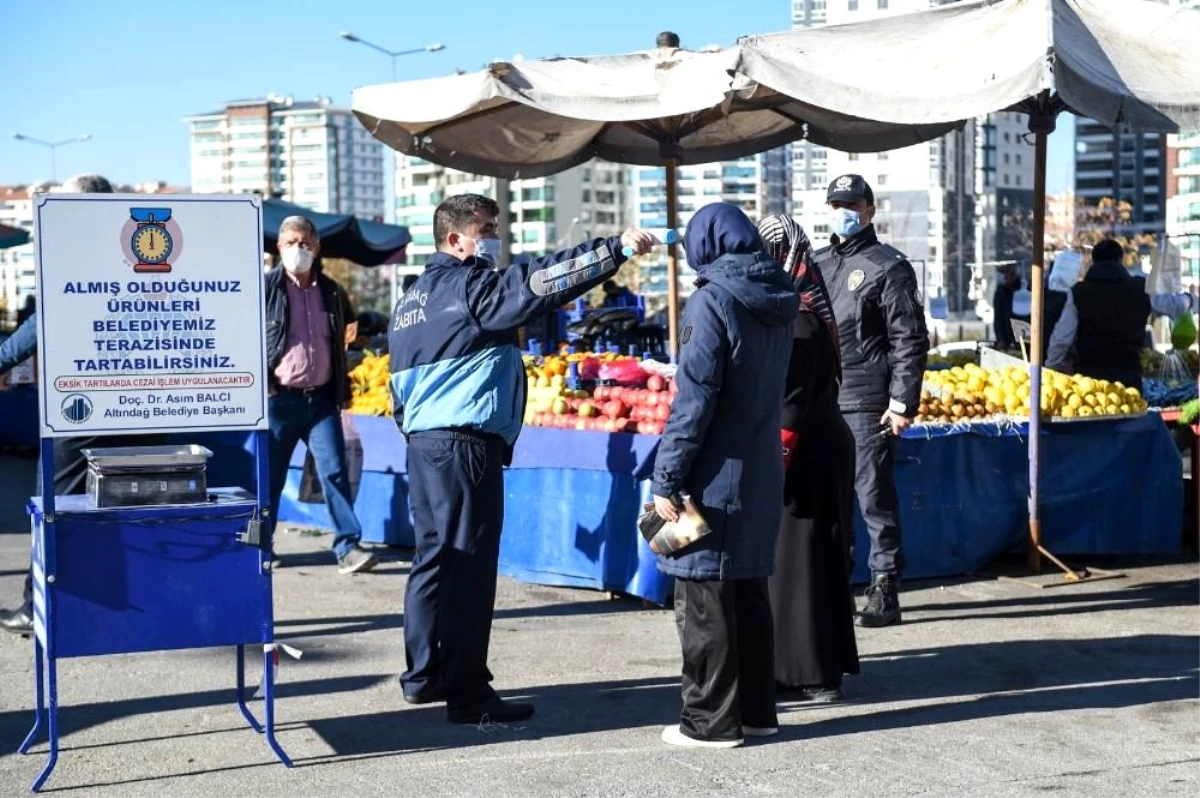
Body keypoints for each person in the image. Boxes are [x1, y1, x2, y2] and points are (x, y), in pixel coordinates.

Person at [389, 193, 653, 724]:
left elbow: (398, 390)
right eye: (485, 228)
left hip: (423, 445)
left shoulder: (409, 302)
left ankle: (423, 676)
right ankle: (468, 692)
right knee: (469, 565)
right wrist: (615, 249)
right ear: (455, 239)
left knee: (433, 560)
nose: (493, 237)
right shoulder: (470, 287)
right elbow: (541, 282)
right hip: (465, 445)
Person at [651, 203, 797, 748]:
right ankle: (757, 712)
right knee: (749, 595)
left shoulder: (712, 302)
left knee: (703, 600)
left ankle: (709, 721)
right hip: (759, 470)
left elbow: (693, 404)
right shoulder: (780, 301)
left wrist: (666, 478)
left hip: (712, 476)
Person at [0, 174, 168, 635]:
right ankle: (123, 604)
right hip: (139, 408)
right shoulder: (138, 254)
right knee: (117, 510)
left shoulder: (77, 256)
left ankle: (35, 610)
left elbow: (42, 324)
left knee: (49, 507)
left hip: (81, 411)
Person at [813, 174, 929, 629]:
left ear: (869, 209)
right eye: (836, 203)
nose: (844, 211)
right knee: (829, 500)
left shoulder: (889, 266)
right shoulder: (817, 263)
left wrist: (902, 402)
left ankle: (884, 585)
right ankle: (832, 582)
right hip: (822, 398)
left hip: (866, 400)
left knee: (872, 497)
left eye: (852, 204)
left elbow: (909, 340)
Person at [757, 214, 860, 703]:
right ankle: (810, 666)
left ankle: (809, 672)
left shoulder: (797, 318)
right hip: (820, 445)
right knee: (810, 560)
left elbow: (791, 403)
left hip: (806, 451)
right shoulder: (801, 306)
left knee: (801, 564)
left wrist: (774, 462)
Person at [265, 215, 376, 574]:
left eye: (304, 242)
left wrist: (341, 389)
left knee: (334, 472)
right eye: (290, 242)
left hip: (322, 400)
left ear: (316, 247)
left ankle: (348, 547)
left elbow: (343, 341)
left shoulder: (330, 290)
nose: (298, 249)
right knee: (271, 477)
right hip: (279, 399)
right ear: (278, 248)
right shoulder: (267, 289)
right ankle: (262, 547)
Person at [1047, 239, 1191, 391]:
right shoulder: (1141, 287)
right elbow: (1174, 305)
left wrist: (1051, 368)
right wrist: (1188, 300)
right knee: (1128, 412)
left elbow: (1061, 338)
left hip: (1088, 381)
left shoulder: (1078, 292)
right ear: (1120, 260)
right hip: (1128, 378)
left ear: (1094, 261)